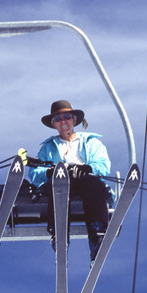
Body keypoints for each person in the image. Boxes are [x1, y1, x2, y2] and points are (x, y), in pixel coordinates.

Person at [27, 100, 114, 262]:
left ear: (74, 120)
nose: (63, 121)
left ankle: (97, 233)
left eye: (67, 117)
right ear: (53, 124)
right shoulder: (48, 148)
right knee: (59, 185)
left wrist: (87, 169)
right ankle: (59, 235)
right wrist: (50, 172)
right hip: (60, 182)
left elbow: (103, 166)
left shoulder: (90, 143)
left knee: (92, 183)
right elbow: (34, 173)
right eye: (58, 119)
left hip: (84, 181)